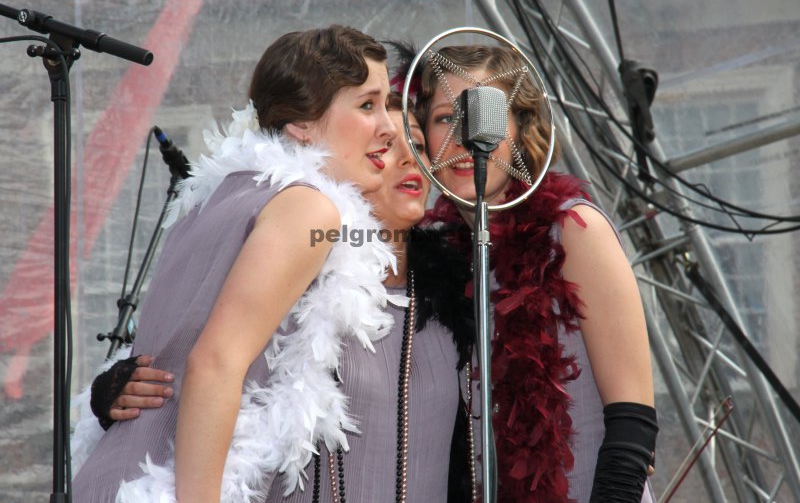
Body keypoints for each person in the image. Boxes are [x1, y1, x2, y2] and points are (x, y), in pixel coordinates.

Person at [71, 86, 475, 501]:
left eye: (419, 146)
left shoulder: (461, 287)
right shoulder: (295, 269)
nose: (409, 158)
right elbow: (205, 360)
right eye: (388, 146)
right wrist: (112, 392)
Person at [414, 44, 659, 502]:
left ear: (522, 129)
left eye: (483, 113)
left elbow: (633, 423)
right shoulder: (436, 259)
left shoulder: (575, 230)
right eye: (446, 117)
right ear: (420, 137)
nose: (466, 137)